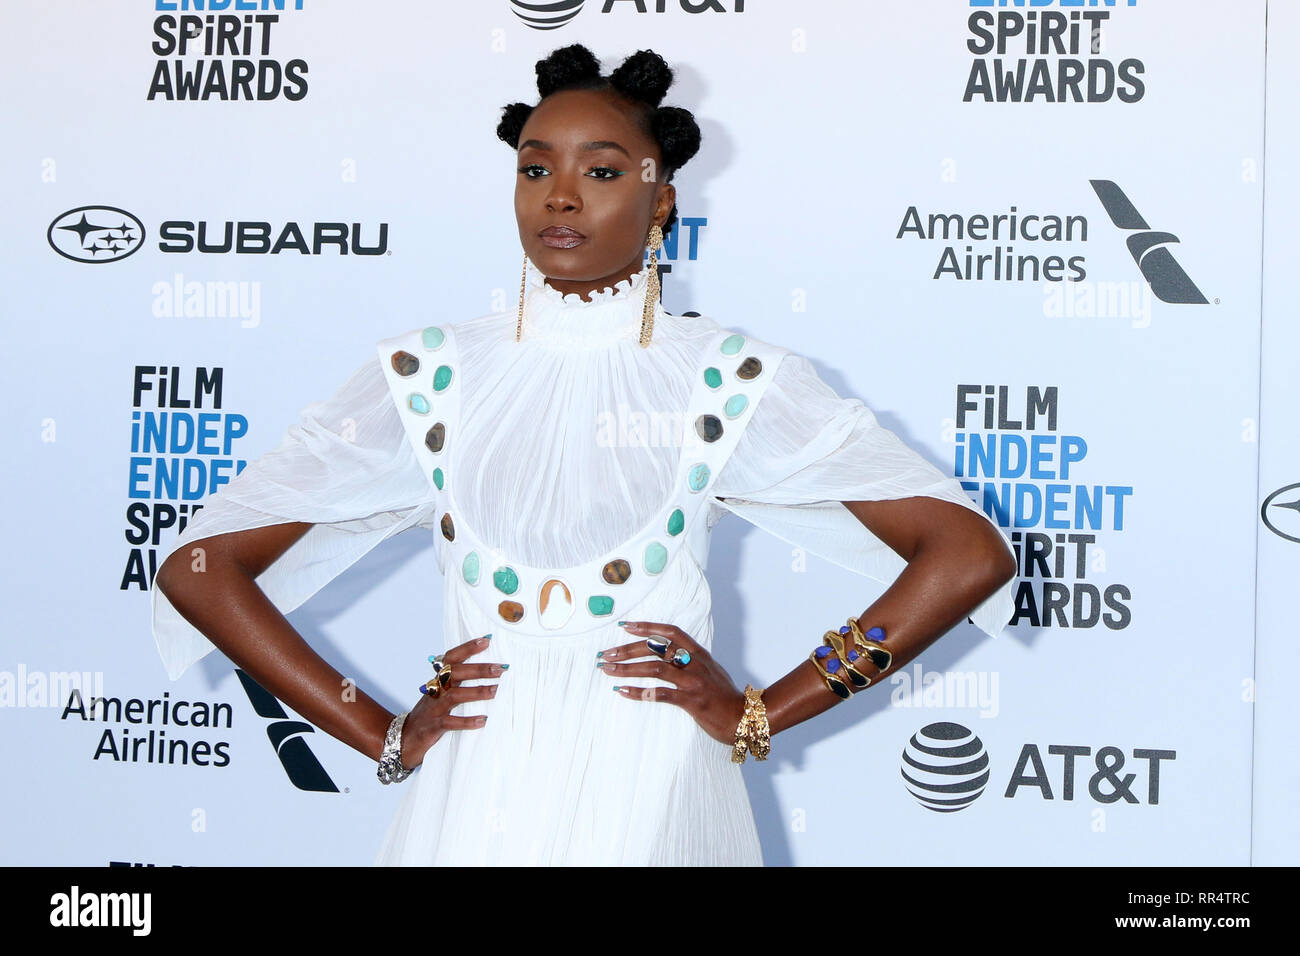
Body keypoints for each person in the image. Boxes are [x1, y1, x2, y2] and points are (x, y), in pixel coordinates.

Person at [151, 44, 1018, 866]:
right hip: (475, 786)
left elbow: (967, 554)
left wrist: (761, 712)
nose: (559, 198)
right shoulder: (430, 374)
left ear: (663, 200)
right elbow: (199, 568)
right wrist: (382, 730)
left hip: (650, 781)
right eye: (535, 170)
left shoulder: (727, 378)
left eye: (601, 172)